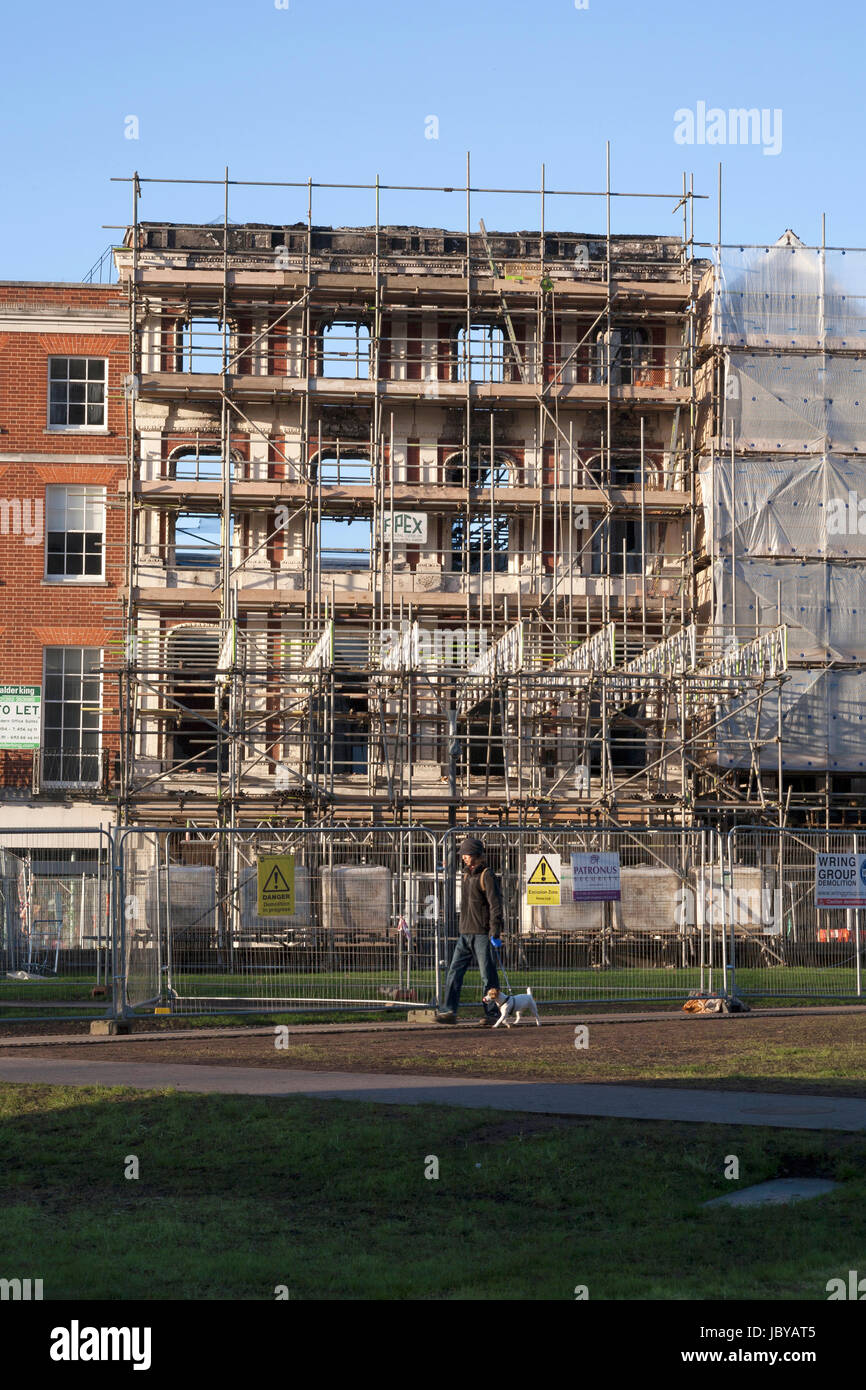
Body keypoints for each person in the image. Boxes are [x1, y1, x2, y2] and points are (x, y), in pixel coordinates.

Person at [435, 836, 504, 1026]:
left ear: (476, 855)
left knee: (487, 975)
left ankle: (493, 1014)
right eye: (463, 854)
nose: (463, 857)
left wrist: (495, 931)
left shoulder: (487, 875)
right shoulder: (466, 875)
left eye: (466, 854)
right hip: (465, 933)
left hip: (482, 933)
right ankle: (448, 1011)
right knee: (454, 971)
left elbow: (495, 905)